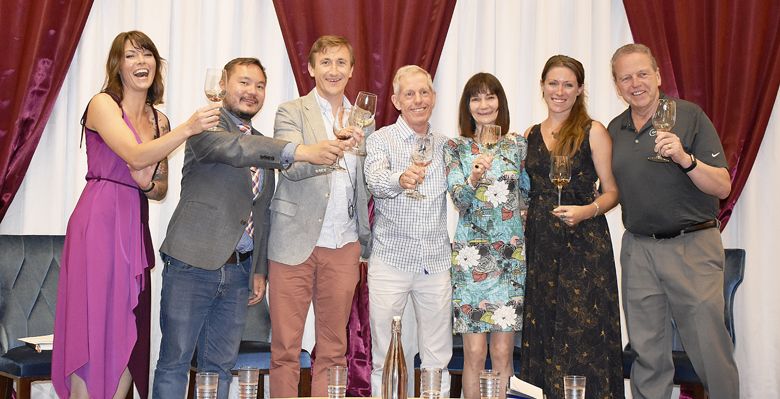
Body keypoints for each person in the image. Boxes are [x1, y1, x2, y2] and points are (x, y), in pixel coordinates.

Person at [153, 57, 344, 399]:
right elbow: (238, 149)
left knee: (221, 366)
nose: (252, 92)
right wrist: (302, 151)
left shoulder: (262, 142)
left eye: (259, 85)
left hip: (239, 272)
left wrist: (258, 270)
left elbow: (262, 211)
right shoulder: (205, 125)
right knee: (175, 362)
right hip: (191, 264)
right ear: (224, 84)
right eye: (244, 82)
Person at [52, 30, 221, 399]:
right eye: (130, 55)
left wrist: (146, 183)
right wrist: (189, 128)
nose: (140, 62)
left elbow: (158, 187)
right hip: (97, 220)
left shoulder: (159, 120)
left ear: (156, 66)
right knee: (93, 322)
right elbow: (133, 153)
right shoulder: (102, 104)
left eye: (147, 55)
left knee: (131, 328)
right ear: (118, 65)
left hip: (134, 220)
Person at [608, 44, 738, 399]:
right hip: (638, 250)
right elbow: (612, 188)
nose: (636, 83)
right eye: (626, 77)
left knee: (710, 351)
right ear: (617, 86)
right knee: (647, 354)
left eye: (642, 73)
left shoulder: (689, 115)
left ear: (658, 75)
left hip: (692, 246)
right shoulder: (614, 129)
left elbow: (723, 186)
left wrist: (685, 159)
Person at [267, 35, 372, 398]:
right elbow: (290, 166)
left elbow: (364, 183)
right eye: (325, 62)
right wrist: (325, 151)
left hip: (343, 243)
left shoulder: (363, 119)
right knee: (285, 349)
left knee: (334, 350)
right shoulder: (290, 111)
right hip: (293, 241)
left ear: (352, 70)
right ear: (311, 68)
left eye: (341, 62)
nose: (334, 70)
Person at [518, 55, 623, 399]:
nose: (559, 91)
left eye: (567, 84)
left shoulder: (594, 131)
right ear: (542, 87)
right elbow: (524, 190)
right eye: (553, 83)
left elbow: (612, 192)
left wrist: (586, 211)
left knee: (583, 336)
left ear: (579, 90)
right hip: (542, 246)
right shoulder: (530, 134)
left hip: (585, 246)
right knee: (544, 330)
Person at [364, 65, 452, 396]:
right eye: (410, 94)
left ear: (434, 97)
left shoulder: (446, 144)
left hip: (436, 262)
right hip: (391, 261)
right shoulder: (381, 139)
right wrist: (400, 179)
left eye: (424, 92)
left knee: (437, 355)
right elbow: (374, 180)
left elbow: (460, 191)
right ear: (396, 100)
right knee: (385, 354)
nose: (418, 100)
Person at [444, 72, 529, 399]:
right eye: (476, 98)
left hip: (509, 258)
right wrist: (475, 177)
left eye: (490, 97)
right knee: (476, 354)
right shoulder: (456, 147)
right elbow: (460, 202)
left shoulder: (517, 144)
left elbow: (527, 194)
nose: (484, 104)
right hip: (470, 257)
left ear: (500, 102)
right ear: (467, 106)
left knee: (504, 354)